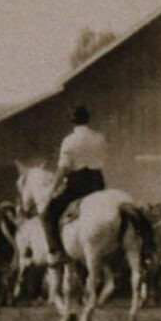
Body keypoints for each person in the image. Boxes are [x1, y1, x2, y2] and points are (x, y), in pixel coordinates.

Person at [44, 105, 109, 265]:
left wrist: (51, 190)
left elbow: (63, 168)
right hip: (98, 182)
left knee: (48, 212)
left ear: (72, 121)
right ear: (88, 119)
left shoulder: (69, 140)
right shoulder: (100, 137)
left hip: (78, 183)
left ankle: (57, 252)